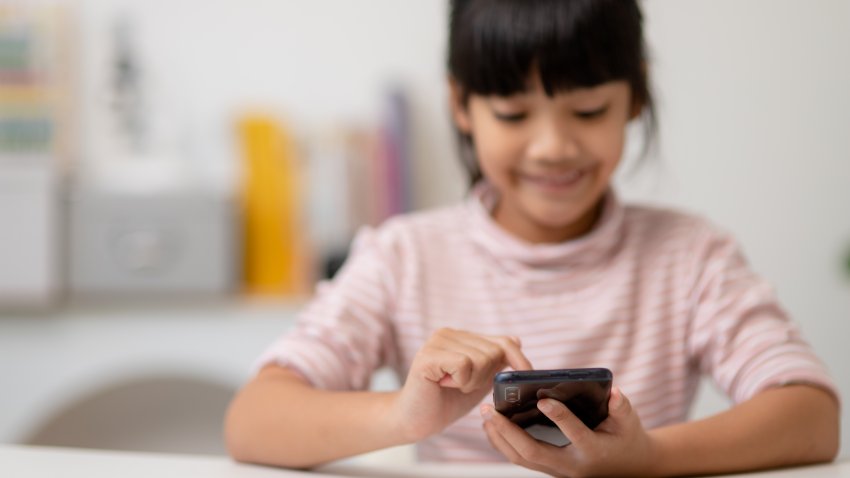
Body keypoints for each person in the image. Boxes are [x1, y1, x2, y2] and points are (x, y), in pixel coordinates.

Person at [224, 1, 840, 476]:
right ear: (461, 105)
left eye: (589, 110)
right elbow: (253, 421)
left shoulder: (692, 257)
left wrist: (647, 458)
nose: (553, 147)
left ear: (635, 97)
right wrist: (400, 415)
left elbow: (811, 417)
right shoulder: (401, 257)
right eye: (514, 115)